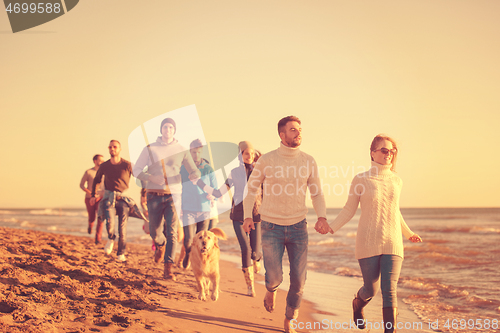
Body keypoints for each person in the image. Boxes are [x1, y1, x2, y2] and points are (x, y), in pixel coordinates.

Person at [315, 134, 423, 333]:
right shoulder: (361, 179)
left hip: (393, 242)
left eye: (392, 151)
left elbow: (394, 210)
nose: (388, 154)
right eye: (384, 150)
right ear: (372, 153)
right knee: (370, 289)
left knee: (389, 290)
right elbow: (349, 209)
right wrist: (331, 226)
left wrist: (408, 233)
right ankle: (358, 305)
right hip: (367, 241)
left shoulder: (397, 181)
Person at [242, 116, 327, 333]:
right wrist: (248, 217)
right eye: (293, 130)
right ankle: (271, 288)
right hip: (271, 227)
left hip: (299, 227)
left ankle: (290, 317)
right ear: (282, 135)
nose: (298, 133)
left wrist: (322, 217)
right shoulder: (267, 160)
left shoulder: (308, 161)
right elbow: (251, 190)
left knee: (299, 281)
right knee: (275, 277)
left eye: (299, 129)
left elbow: (316, 193)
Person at [132, 117, 200, 280]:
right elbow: (136, 170)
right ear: (161, 129)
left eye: (170, 127)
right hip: (153, 195)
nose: (168, 130)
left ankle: (168, 267)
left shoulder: (182, 149)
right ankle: (160, 245)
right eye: (165, 127)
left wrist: (194, 176)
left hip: (174, 195)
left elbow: (194, 170)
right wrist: (151, 178)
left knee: (172, 232)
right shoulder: (150, 148)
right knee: (155, 232)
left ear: (174, 130)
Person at [196, 141, 262, 297]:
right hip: (238, 215)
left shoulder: (260, 171)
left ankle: (257, 259)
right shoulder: (234, 172)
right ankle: (250, 286)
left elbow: (269, 191)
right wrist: (207, 189)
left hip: (256, 216)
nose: (250, 156)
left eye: (252, 154)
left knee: (255, 252)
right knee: (245, 249)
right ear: (241, 155)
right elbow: (220, 191)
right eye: (247, 153)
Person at [90, 140, 133, 262]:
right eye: (110, 147)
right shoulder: (105, 166)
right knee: (110, 223)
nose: (112, 149)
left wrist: (145, 195)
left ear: (120, 149)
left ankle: (121, 253)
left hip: (123, 198)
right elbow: (96, 180)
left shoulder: (127, 165)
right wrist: (93, 195)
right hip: (109, 197)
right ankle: (111, 238)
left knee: (122, 228)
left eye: (115, 147)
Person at [179, 139, 218, 269]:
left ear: (201, 152)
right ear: (190, 152)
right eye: (193, 152)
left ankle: (200, 264)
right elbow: (178, 188)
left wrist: (212, 196)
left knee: (203, 241)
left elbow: (215, 190)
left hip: (204, 209)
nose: (196, 155)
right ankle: (188, 254)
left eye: (198, 152)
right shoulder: (183, 169)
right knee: (189, 240)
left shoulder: (208, 169)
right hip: (188, 208)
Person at [80, 154, 105, 244]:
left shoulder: (105, 173)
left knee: (100, 217)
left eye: (103, 160)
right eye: (100, 160)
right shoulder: (89, 172)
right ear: (95, 161)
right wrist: (90, 193)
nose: (102, 162)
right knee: (92, 217)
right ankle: (90, 225)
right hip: (89, 198)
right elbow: (81, 185)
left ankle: (98, 238)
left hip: (101, 198)